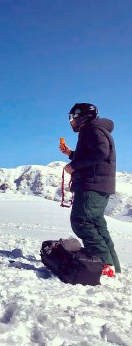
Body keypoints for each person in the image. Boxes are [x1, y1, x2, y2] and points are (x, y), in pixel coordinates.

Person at [59, 103, 120, 277]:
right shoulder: (97, 130)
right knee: (96, 224)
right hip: (100, 184)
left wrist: (74, 165)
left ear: (83, 116)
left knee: (81, 221)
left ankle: (103, 266)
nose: (71, 122)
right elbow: (93, 153)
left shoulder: (92, 130)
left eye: (73, 117)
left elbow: (100, 153)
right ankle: (112, 267)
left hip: (91, 184)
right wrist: (71, 153)